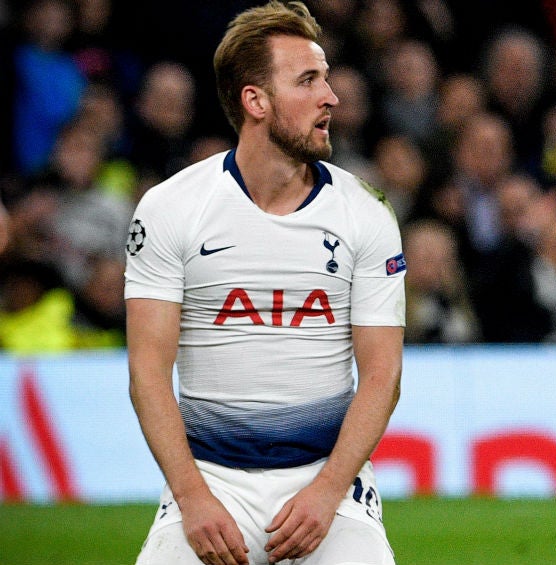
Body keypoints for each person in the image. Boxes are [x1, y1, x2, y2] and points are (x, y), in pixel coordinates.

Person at [124, 3, 405, 565]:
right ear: (256, 101)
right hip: (208, 481)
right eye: (308, 81)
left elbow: (383, 375)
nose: (332, 97)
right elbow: (147, 372)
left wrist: (327, 493)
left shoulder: (366, 213)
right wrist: (192, 497)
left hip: (331, 482)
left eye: (326, 78)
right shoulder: (170, 208)